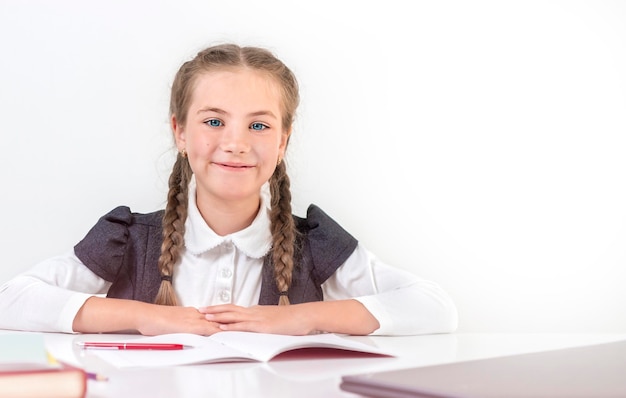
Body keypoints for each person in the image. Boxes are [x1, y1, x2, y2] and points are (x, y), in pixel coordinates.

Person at [0, 43, 457, 336]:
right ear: (180, 132)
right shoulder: (129, 239)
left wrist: (298, 317)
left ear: (282, 141)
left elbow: (435, 309)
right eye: (214, 121)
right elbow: (14, 300)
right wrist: (148, 316)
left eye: (258, 125)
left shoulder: (313, 244)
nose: (235, 143)